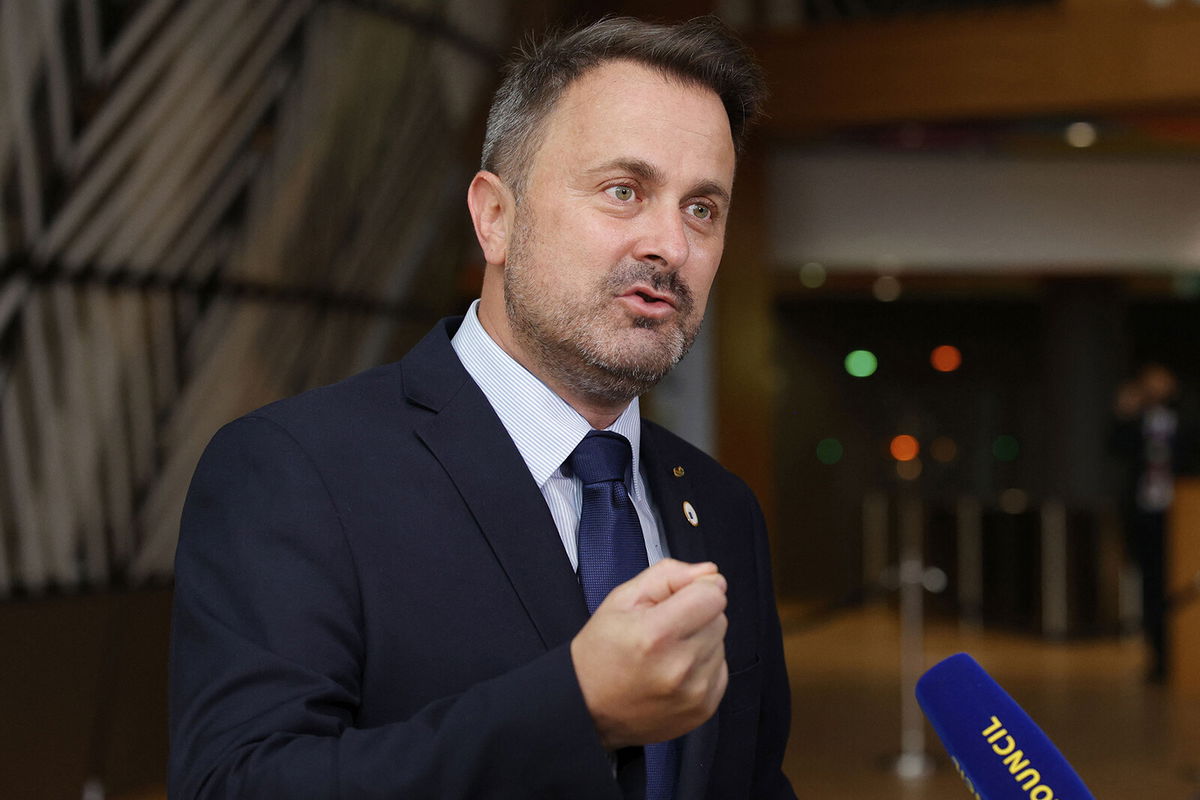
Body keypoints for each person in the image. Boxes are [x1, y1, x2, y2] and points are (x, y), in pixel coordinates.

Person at [169, 15, 797, 800]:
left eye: (702, 208)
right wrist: (575, 708)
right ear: (494, 217)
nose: (669, 244)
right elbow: (238, 785)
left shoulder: (723, 509)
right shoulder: (295, 471)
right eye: (623, 191)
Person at [1111, 362, 1194, 683]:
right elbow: (1114, 448)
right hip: (1144, 516)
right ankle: (1158, 658)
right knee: (1151, 587)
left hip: (1183, 518)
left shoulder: (1188, 418)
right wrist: (1123, 414)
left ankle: (1183, 655)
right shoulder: (1135, 419)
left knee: (1182, 588)